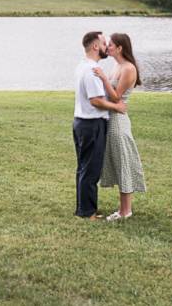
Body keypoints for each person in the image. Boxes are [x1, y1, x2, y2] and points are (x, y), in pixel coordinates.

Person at [73, 31, 127, 219]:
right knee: (90, 170)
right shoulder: (91, 70)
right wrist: (116, 106)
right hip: (91, 124)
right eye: (104, 43)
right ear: (95, 46)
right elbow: (95, 101)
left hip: (82, 123)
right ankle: (87, 213)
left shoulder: (83, 66)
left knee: (83, 168)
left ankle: (83, 209)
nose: (106, 47)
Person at [94, 32, 147, 220]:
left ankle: (126, 211)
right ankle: (123, 210)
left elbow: (116, 97)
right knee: (118, 163)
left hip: (119, 121)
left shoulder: (129, 68)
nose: (106, 47)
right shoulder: (117, 65)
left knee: (123, 163)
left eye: (109, 44)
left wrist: (102, 78)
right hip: (111, 119)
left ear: (119, 48)